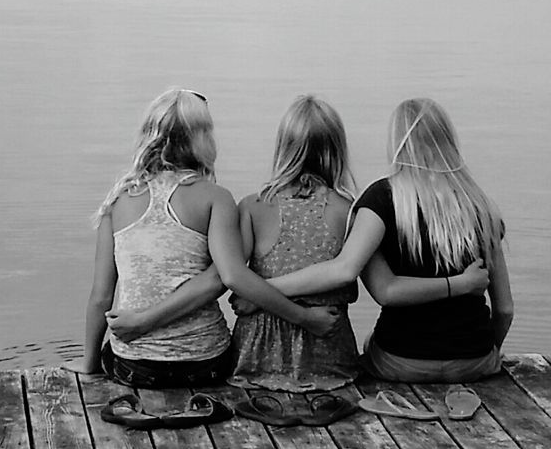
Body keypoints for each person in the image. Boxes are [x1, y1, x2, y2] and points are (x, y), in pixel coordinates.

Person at [69, 87, 339, 389]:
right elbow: (229, 277)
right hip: (206, 364)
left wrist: (90, 364)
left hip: (135, 368)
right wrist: (304, 317)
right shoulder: (216, 198)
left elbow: (101, 297)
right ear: (202, 138)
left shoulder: (117, 201)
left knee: (112, 355)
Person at [267, 98, 513, 383]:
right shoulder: (481, 206)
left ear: (397, 141)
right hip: (476, 361)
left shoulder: (381, 198)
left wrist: (263, 290)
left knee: (371, 344)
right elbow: (505, 309)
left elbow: (354, 275)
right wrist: (486, 352)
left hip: (401, 361)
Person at [228, 95, 360, 391]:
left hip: (255, 357)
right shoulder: (348, 209)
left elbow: (235, 281)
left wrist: (256, 294)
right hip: (327, 357)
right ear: (336, 149)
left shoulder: (252, 207)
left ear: (283, 148)